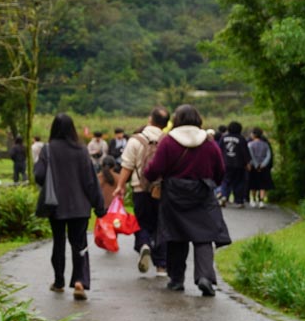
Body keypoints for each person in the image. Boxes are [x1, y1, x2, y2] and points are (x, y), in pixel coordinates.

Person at [142, 104, 230, 296]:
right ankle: (205, 277)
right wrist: (212, 183)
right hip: (202, 193)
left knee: (175, 237)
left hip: (174, 194)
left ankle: (176, 280)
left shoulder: (168, 142)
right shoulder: (207, 142)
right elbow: (220, 170)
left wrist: (148, 178)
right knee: (204, 237)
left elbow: (155, 168)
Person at [34, 113, 106, 300]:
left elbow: (39, 175)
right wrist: (99, 205)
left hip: (56, 205)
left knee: (59, 242)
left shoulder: (47, 150)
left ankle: (59, 281)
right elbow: (91, 181)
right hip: (80, 206)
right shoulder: (82, 151)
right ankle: (80, 281)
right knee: (79, 244)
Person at [114, 108, 169, 277]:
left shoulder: (136, 140)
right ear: (166, 124)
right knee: (162, 225)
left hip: (140, 188)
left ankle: (144, 244)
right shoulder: (168, 140)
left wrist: (120, 186)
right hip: (163, 189)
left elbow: (127, 165)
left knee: (142, 222)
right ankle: (161, 265)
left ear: (150, 119)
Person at [221, 120, 251, 207]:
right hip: (239, 164)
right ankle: (238, 201)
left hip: (226, 163)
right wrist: (247, 163)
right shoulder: (241, 139)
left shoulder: (223, 138)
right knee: (239, 182)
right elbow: (244, 152)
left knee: (225, 181)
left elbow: (219, 150)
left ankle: (224, 196)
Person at [247, 127, 274, 208]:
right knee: (263, 184)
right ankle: (261, 201)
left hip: (253, 167)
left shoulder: (250, 144)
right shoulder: (265, 144)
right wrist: (263, 164)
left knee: (253, 184)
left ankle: (253, 200)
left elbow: (250, 156)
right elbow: (268, 155)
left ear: (254, 134)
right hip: (264, 167)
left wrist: (256, 165)